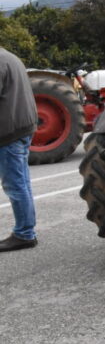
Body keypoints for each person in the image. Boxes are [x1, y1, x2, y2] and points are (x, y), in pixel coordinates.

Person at [0, 48, 38, 252]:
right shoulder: (9, 56)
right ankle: (27, 230)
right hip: (21, 127)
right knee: (21, 182)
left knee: (15, 185)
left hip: (9, 131)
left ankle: (24, 234)